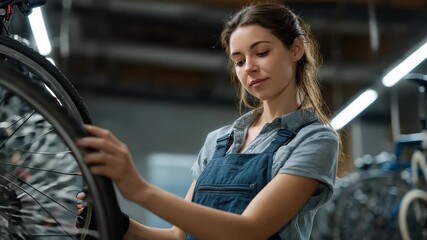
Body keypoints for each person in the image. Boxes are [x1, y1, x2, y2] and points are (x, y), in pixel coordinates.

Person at [76, 2, 340, 239]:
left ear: (295, 49)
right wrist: (117, 224)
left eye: (261, 53)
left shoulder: (314, 139)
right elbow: (178, 236)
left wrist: (139, 190)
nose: (248, 67)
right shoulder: (219, 142)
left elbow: (250, 230)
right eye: (238, 61)